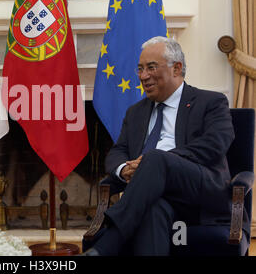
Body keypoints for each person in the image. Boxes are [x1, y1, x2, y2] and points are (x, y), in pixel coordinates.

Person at [83, 36, 242, 256]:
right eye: (140, 69)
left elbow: (215, 145)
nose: (143, 76)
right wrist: (124, 169)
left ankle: (107, 244)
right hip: (151, 195)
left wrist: (156, 162)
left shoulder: (210, 102)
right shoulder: (136, 112)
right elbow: (118, 151)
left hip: (199, 190)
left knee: (155, 158)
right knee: (153, 209)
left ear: (176, 68)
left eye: (151, 67)